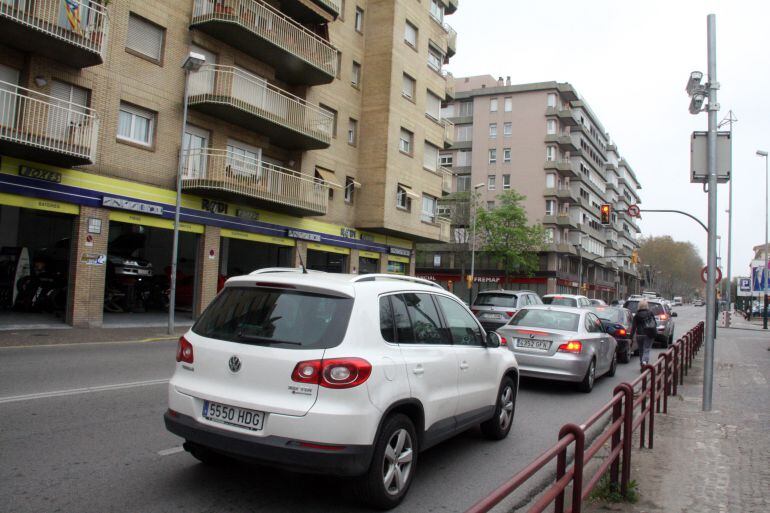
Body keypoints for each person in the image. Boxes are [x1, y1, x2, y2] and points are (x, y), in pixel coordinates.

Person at [631, 299, 657, 370]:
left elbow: (633, 327)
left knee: (641, 350)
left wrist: (631, 337)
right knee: (647, 349)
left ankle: (642, 364)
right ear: (646, 306)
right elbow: (654, 323)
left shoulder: (636, 315)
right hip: (649, 334)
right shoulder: (650, 313)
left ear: (639, 306)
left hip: (639, 335)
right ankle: (644, 362)